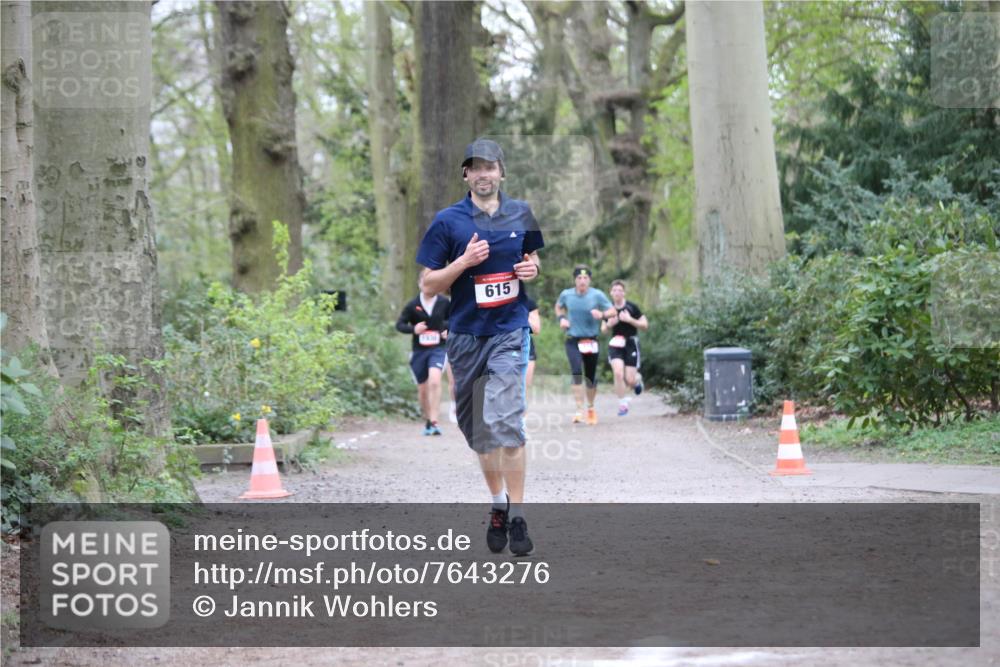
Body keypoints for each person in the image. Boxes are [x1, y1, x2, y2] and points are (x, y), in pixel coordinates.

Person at [417, 138, 543, 556]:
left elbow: (533, 263)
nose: (484, 174)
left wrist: (531, 268)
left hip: (510, 329)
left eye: (491, 167)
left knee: (506, 419)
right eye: (476, 168)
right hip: (467, 336)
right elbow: (428, 284)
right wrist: (463, 263)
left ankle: (520, 515)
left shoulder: (521, 212)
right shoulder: (448, 221)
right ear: (466, 175)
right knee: (479, 432)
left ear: (501, 172)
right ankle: (498, 505)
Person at [555, 266, 614, 425]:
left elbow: (612, 311)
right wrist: (561, 319)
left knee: (590, 377)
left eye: (585, 278)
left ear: (589, 280)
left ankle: (591, 408)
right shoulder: (566, 294)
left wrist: (602, 314)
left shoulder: (597, 295)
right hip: (573, 339)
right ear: (574, 280)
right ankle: (579, 410)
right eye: (579, 278)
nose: (582, 281)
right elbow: (559, 307)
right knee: (576, 372)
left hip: (591, 340)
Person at [396, 268, 451, 435]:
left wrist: (448, 329)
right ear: (420, 284)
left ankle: (434, 420)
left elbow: (454, 320)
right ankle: (428, 420)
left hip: (438, 349)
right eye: (425, 282)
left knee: (435, 380)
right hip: (419, 351)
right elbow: (399, 325)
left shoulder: (444, 303)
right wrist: (414, 329)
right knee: (423, 389)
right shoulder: (413, 305)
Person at [601, 279, 648, 416]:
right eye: (614, 290)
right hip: (615, 343)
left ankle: (637, 381)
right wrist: (609, 324)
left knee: (630, 379)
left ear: (624, 293)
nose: (617, 293)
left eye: (620, 290)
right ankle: (622, 404)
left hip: (631, 343)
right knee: (618, 373)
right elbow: (603, 329)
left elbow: (645, 325)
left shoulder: (632, 307)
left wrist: (630, 320)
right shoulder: (608, 308)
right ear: (611, 293)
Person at [523, 290, 541, 388]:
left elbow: (536, 329)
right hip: (503, 344)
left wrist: (521, 313)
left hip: (526, 345)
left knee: (525, 386)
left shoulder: (528, 302)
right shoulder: (497, 300)